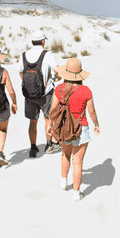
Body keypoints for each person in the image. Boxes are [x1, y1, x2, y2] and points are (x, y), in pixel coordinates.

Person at [49, 57, 99, 201]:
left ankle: (63, 182)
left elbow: (53, 110)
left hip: (63, 127)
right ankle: (76, 193)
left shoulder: (59, 89)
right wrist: (96, 124)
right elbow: (92, 111)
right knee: (78, 162)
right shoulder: (86, 90)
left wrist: (51, 128)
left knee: (65, 154)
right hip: (81, 128)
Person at [18, 31, 62, 158]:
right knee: (48, 119)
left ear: (32, 41)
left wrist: (29, 84)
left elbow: (21, 72)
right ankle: (49, 145)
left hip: (29, 94)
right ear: (43, 41)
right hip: (46, 93)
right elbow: (56, 69)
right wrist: (56, 78)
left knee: (33, 121)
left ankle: (33, 148)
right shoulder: (47, 54)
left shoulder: (24, 55)